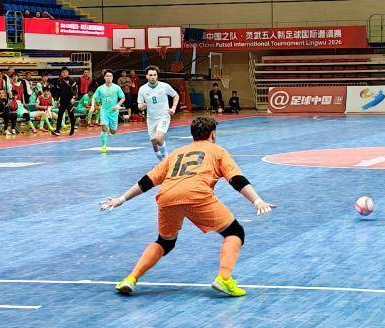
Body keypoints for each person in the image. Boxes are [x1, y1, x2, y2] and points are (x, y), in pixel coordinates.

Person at [100, 116, 276, 297]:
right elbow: (236, 179)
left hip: (167, 197)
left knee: (165, 242)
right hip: (197, 195)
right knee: (235, 232)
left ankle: (131, 279)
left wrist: (122, 199)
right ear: (213, 134)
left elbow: (147, 181)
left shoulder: (177, 153)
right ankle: (224, 278)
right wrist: (257, 200)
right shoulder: (218, 151)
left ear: (193, 135)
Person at [137, 66, 179, 162]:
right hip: (151, 118)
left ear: (157, 76)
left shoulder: (164, 86)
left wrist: (173, 108)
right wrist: (142, 106)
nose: (153, 77)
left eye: (154, 75)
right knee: (154, 142)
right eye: (150, 75)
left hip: (164, 116)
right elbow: (139, 105)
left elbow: (175, 95)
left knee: (158, 137)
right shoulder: (142, 89)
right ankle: (161, 161)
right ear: (147, 76)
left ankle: (166, 158)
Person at [90, 70, 125, 153]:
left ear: (112, 78)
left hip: (113, 112)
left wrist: (118, 105)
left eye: (110, 76)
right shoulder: (100, 88)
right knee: (104, 127)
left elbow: (123, 98)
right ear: (104, 77)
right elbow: (94, 97)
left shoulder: (117, 88)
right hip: (104, 111)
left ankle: (111, 128)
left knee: (113, 131)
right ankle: (103, 146)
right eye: (107, 76)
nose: (109, 77)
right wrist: (92, 106)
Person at [52, 67, 78, 136]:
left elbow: (75, 90)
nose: (64, 73)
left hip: (70, 101)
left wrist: (73, 98)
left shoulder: (72, 80)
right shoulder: (59, 81)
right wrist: (57, 100)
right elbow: (58, 92)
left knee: (71, 115)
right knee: (60, 115)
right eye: (63, 72)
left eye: (66, 72)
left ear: (68, 73)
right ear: (61, 73)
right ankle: (57, 130)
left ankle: (72, 130)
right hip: (62, 101)